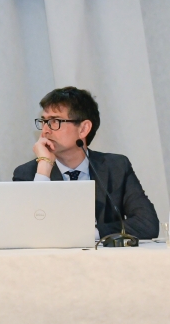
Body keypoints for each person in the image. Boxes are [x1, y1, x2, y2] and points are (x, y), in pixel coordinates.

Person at [12, 86, 158, 240]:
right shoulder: (28, 174)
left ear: (83, 129)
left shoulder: (116, 167)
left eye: (55, 121)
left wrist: (89, 234)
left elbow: (147, 224)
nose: (45, 130)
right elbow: (25, 231)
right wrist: (44, 166)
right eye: (44, 121)